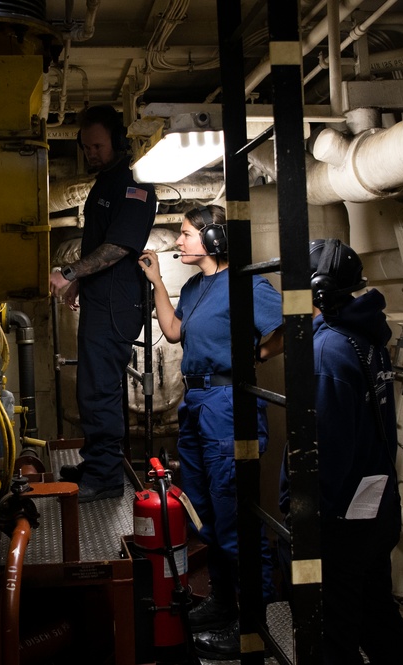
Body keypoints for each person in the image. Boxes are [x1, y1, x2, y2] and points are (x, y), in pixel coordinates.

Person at [138, 205, 284, 660]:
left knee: (234, 517)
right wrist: (158, 282)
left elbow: (295, 322)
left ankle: (252, 623)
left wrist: (255, 355)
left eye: (185, 234)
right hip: (196, 404)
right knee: (206, 515)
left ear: (214, 239)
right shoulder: (197, 287)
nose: (179, 242)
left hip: (226, 406)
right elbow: (175, 331)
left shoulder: (246, 285)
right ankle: (223, 603)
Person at [278, 238, 403, 664]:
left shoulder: (325, 353)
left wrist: (301, 511)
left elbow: (325, 449)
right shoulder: (362, 337)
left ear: (315, 292)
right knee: (376, 615)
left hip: (340, 520)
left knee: (331, 634)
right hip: (375, 505)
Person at [50, 104, 157, 503]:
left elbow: (118, 247)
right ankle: (97, 462)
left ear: (119, 143)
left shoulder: (136, 186)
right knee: (91, 386)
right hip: (102, 298)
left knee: (100, 390)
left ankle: (106, 477)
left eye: (97, 146)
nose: (90, 153)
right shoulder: (104, 183)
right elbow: (99, 245)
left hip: (117, 304)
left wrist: (71, 274)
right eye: (86, 147)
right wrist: (81, 283)